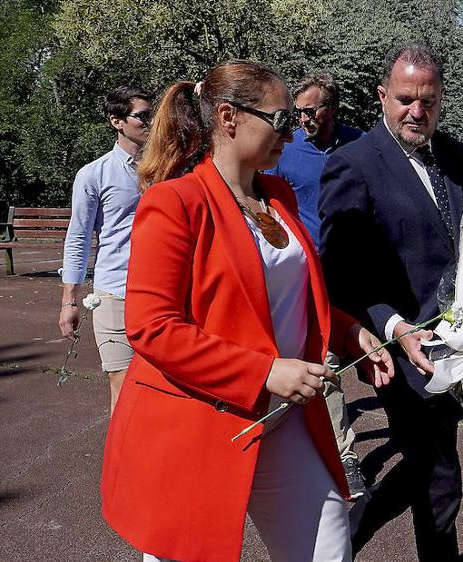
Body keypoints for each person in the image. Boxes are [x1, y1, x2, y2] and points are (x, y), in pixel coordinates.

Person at [100, 60, 393, 562]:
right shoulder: (175, 202)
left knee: (328, 548)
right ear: (229, 118)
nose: (294, 129)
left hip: (281, 416)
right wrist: (265, 371)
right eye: (281, 119)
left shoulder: (276, 195)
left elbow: (293, 292)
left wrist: (348, 333)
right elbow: (152, 328)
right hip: (198, 424)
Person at [319, 44, 463, 562]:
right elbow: (340, 269)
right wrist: (391, 325)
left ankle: (342, 545)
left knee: (425, 462)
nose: (417, 111)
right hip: (400, 347)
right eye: (405, 99)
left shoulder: (453, 155)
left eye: (428, 101)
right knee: (439, 475)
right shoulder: (353, 164)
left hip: (457, 341)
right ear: (383, 96)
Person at [265, 73, 368, 499]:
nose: (303, 118)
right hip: (313, 276)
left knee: (375, 355)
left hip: (360, 273)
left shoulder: (360, 144)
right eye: (298, 111)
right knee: (324, 364)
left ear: (333, 108)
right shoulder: (286, 151)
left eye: (311, 110)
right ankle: (345, 455)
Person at [58, 85, 153, 413]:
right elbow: (78, 238)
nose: (150, 122)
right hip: (115, 293)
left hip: (163, 293)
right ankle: (125, 463)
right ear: (117, 121)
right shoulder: (94, 174)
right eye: (142, 116)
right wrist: (69, 301)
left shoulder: (168, 168)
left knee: (163, 385)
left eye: (152, 114)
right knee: (124, 386)